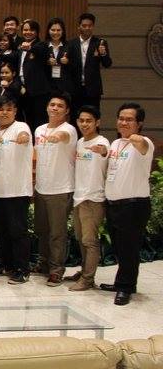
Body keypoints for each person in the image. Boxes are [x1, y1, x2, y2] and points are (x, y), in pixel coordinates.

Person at [100, 103, 154, 306]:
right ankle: (121, 282)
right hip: (114, 204)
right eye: (121, 118)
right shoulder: (116, 143)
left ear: (139, 123)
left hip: (133, 205)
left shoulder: (144, 143)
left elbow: (141, 143)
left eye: (129, 119)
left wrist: (135, 137)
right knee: (119, 247)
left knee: (129, 248)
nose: (123, 122)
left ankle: (126, 287)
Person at [32, 93, 77, 285]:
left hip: (60, 188)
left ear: (66, 111)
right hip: (41, 187)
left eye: (60, 106)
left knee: (57, 233)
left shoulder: (69, 129)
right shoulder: (39, 130)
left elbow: (63, 137)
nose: (55, 108)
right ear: (47, 107)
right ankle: (43, 263)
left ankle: (56, 270)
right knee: (42, 230)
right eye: (52, 104)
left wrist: (56, 136)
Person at [0, 95, 33, 284]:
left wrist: (23, 138)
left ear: (15, 111)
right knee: (2, 232)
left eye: (8, 109)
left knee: (18, 232)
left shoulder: (21, 127)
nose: (4, 112)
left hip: (17, 190)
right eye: (1, 109)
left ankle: (22, 269)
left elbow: (24, 137)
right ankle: (7, 265)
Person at [65, 105, 109, 292]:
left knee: (90, 241)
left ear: (97, 122)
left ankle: (88, 279)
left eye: (89, 120)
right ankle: (84, 271)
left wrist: (102, 151)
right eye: (81, 120)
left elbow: (105, 152)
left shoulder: (103, 142)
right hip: (79, 197)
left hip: (93, 198)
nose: (84, 124)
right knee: (81, 239)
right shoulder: (80, 142)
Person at [67, 13, 112, 113]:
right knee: (75, 116)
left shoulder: (99, 42)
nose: (87, 28)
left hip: (93, 89)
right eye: (84, 26)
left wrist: (103, 53)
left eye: (90, 26)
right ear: (79, 27)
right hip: (75, 89)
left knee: (93, 116)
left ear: (93, 26)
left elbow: (107, 64)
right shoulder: (71, 44)